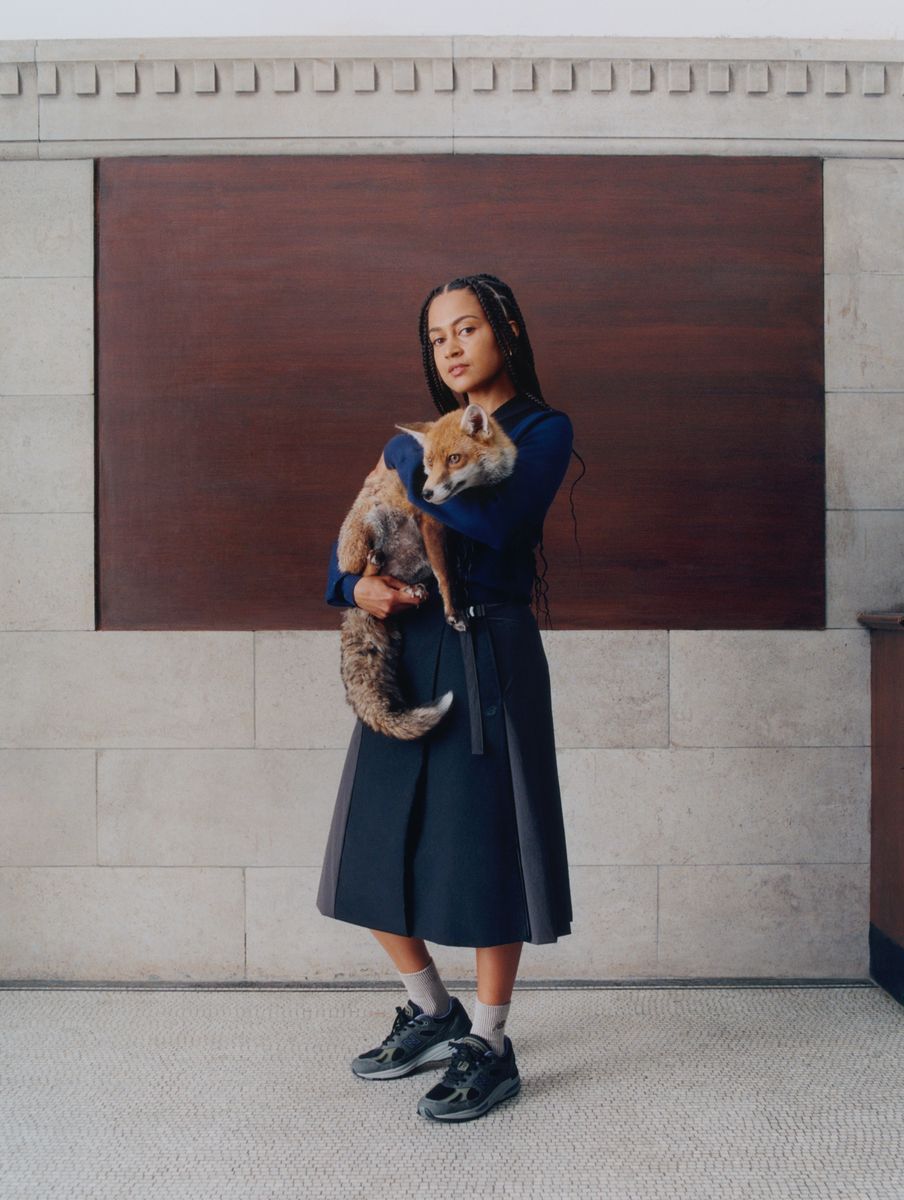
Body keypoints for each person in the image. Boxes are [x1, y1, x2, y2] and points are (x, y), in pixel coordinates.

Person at [316, 272, 582, 1123]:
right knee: (372, 842)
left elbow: (498, 526)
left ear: (506, 329)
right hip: (407, 646)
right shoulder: (424, 439)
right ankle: (433, 1009)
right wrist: (355, 589)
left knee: (485, 846)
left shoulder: (541, 429)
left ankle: (491, 1044)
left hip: (490, 645)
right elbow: (346, 555)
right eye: (437, 338)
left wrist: (408, 461)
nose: (451, 348)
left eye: (466, 328)